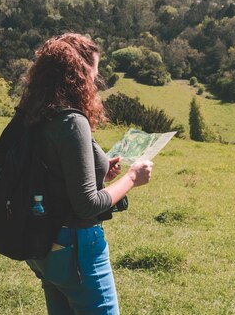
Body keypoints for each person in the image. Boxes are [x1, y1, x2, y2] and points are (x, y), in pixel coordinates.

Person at [17, 32, 153, 314]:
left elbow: (53, 175)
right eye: (94, 72)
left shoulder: (38, 113)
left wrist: (101, 176)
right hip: (76, 245)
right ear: (78, 73)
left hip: (44, 241)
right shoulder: (71, 121)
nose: (95, 80)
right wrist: (131, 178)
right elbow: (87, 204)